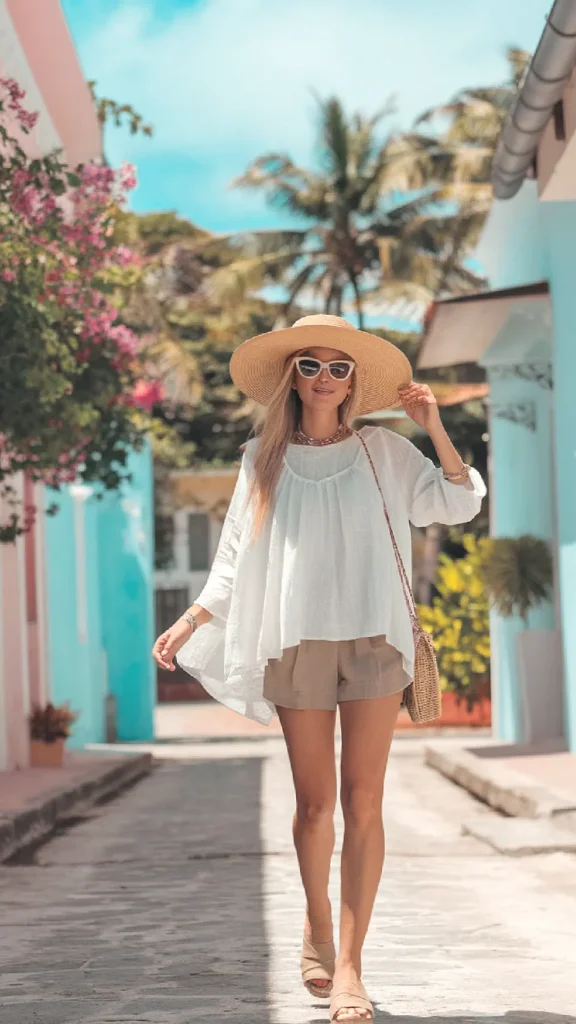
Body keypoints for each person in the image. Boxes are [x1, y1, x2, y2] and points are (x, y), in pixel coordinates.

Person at [152, 314, 486, 1022]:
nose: (327, 379)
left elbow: (457, 503)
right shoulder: (260, 458)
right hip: (294, 641)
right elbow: (235, 556)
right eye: (312, 365)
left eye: (340, 368)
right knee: (314, 806)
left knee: (365, 802)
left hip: (376, 641)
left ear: (354, 380)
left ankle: (351, 970)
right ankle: (317, 923)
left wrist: (432, 424)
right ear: (291, 376)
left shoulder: (385, 451)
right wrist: (190, 619)